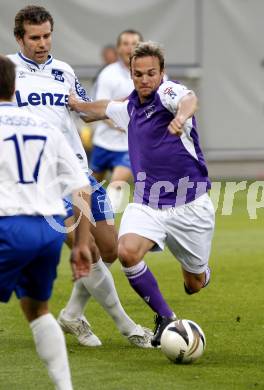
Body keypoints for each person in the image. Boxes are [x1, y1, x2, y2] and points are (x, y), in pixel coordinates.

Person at [8, 5, 152, 348]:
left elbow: (82, 110)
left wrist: (129, 106)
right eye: (34, 37)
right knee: (85, 247)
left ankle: (72, 315)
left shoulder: (63, 71)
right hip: (40, 181)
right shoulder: (8, 71)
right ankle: (128, 327)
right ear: (19, 38)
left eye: (46, 36)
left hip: (77, 171)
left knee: (109, 249)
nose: (42, 43)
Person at [69, 41, 215, 347]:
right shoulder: (131, 107)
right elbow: (101, 108)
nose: (145, 79)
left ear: (162, 72)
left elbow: (189, 99)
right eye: (138, 74)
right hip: (148, 203)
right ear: (131, 74)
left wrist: (181, 117)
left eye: (151, 73)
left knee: (194, 284)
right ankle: (166, 319)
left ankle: (199, 272)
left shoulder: (168, 94)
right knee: (126, 251)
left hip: (191, 206)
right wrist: (74, 104)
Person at [0, 55, 96, 390]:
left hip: (7, 227)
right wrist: (82, 244)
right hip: (47, 231)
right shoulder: (44, 128)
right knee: (37, 307)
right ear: (14, 87)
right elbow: (81, 187)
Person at [90, 29, 143, 212]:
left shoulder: (150, 74)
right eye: (125, 43)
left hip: (129, 144)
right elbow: (100, 108)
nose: (130, 48)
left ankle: (109, 221)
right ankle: (85, 223)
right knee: (90, 187)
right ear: (119, 48)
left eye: (134, 43)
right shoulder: (108, 74)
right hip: (104, 142)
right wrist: (118, 123)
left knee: (117, 184)